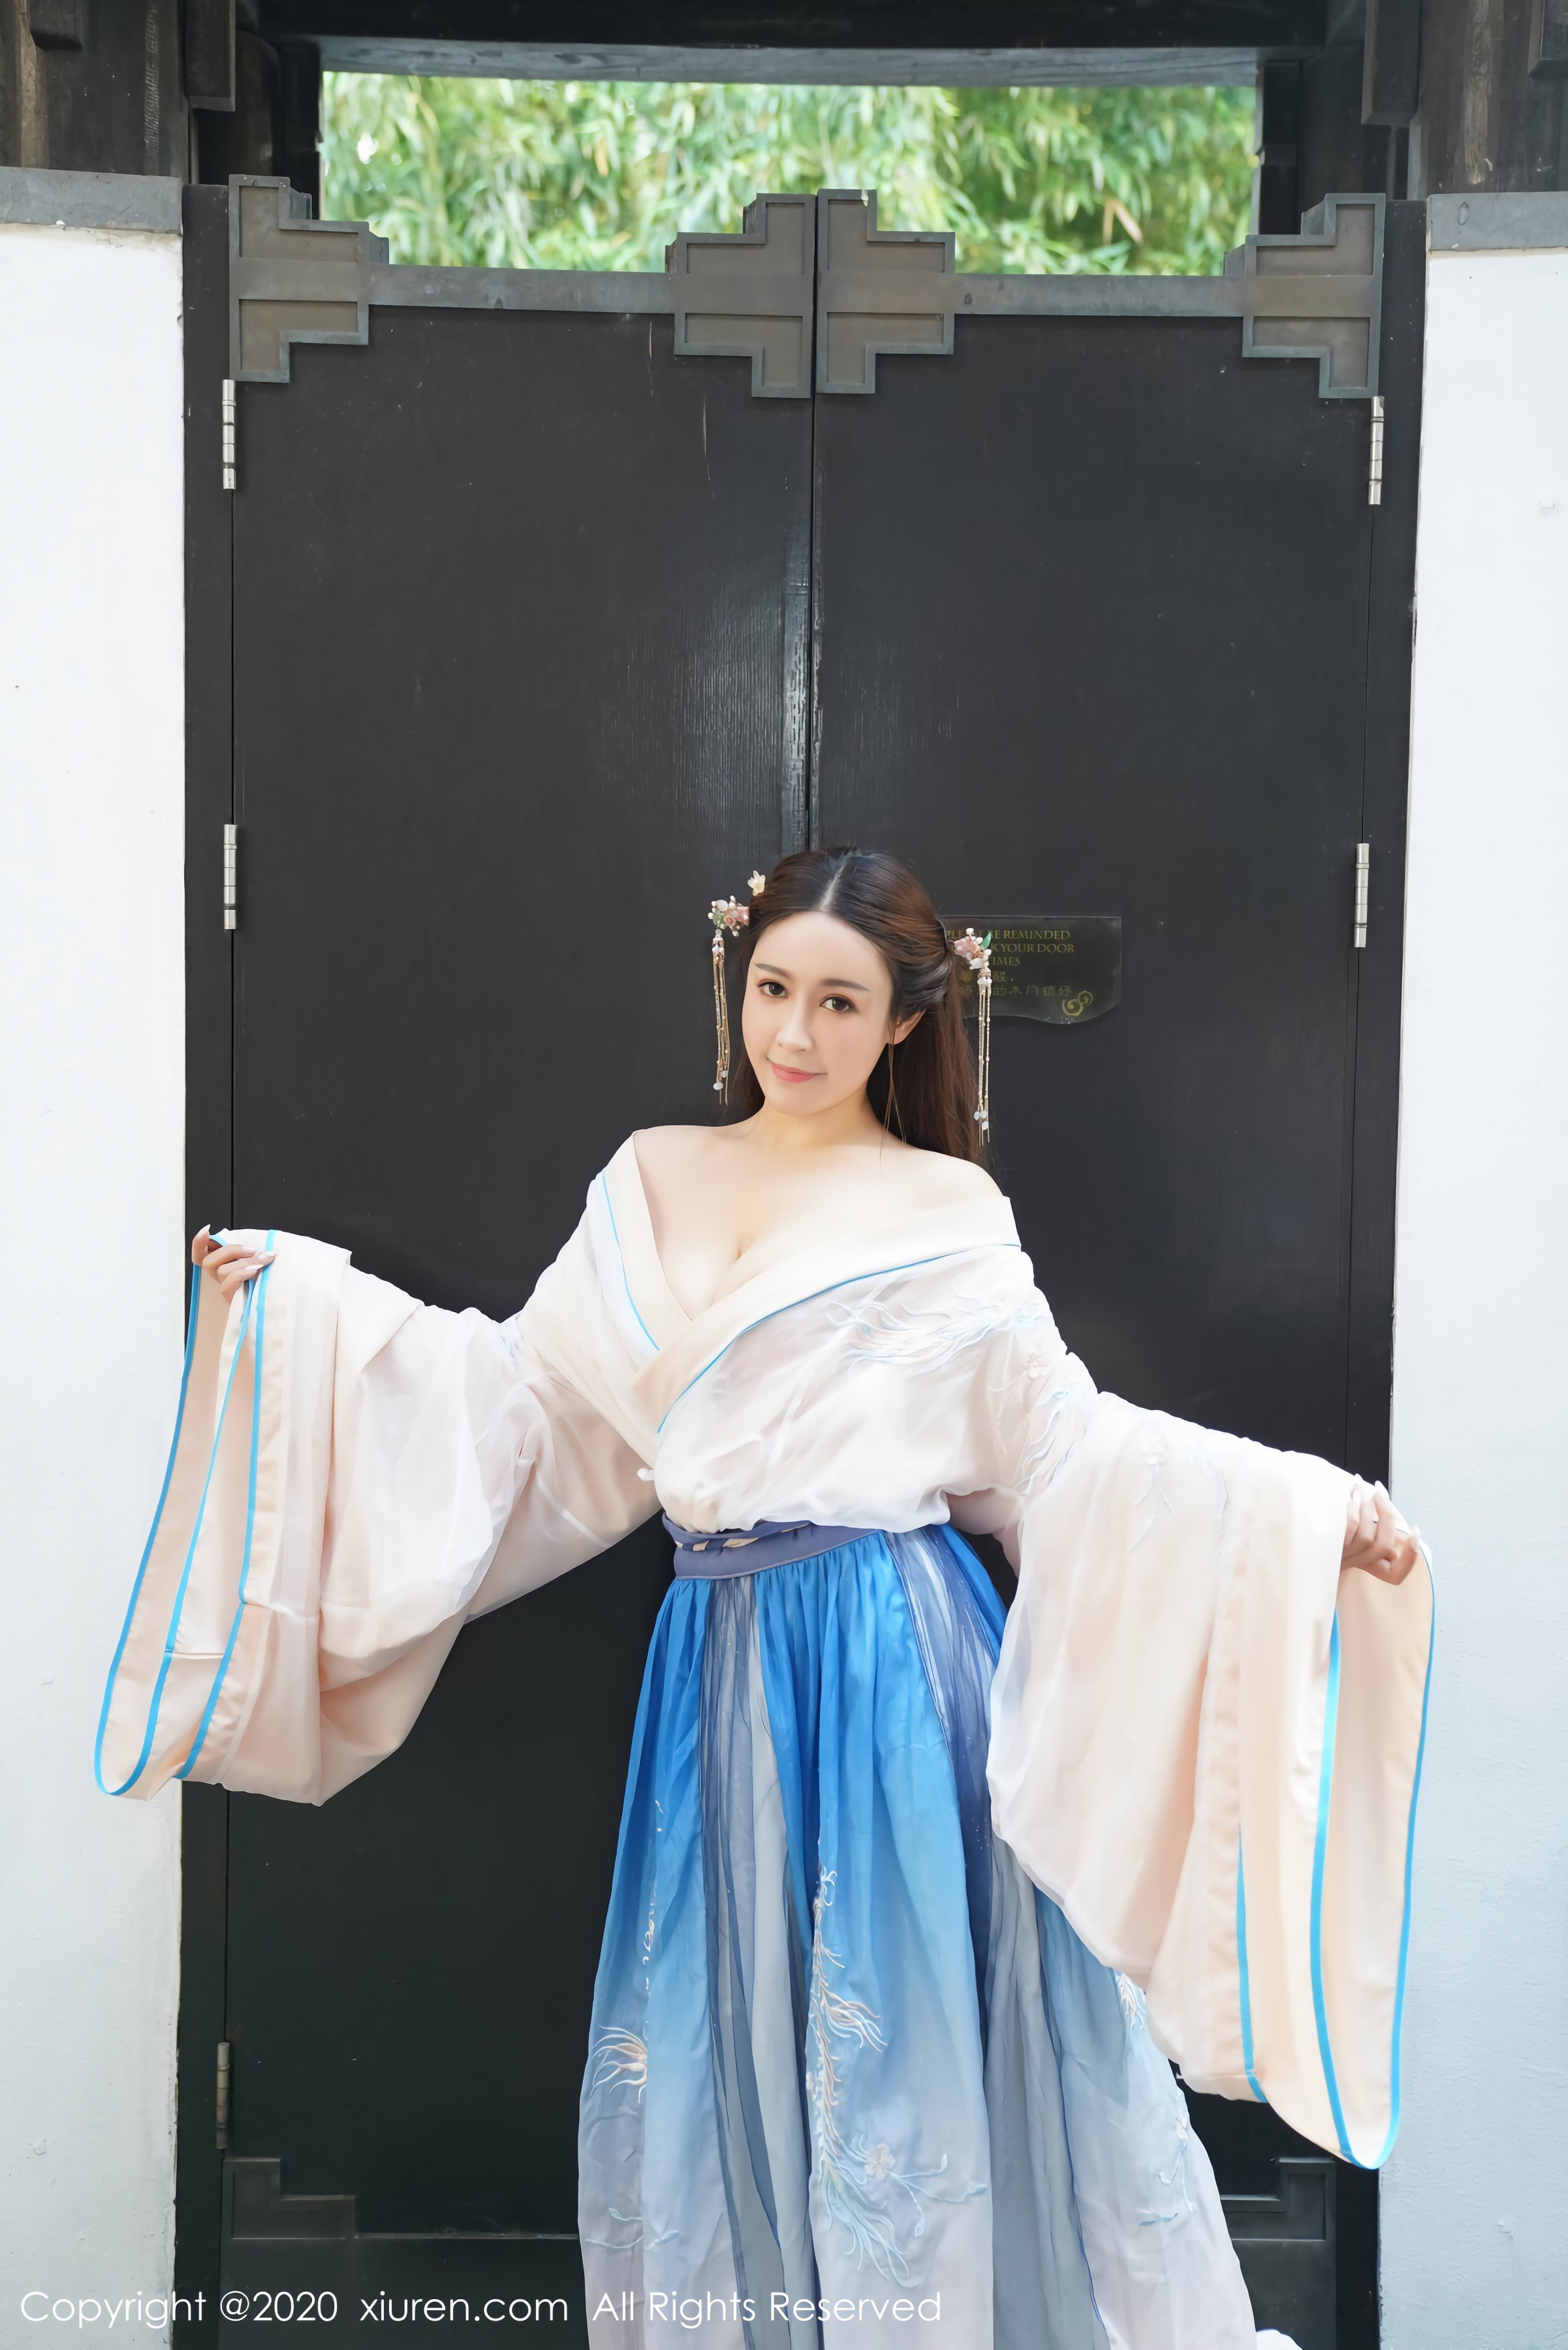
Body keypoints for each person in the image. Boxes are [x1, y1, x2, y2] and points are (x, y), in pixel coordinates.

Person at [96, 846, 1432, 2350]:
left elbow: (1061, 1449)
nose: (794, 1033)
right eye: (774, 988)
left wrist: (1312, 1514)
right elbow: (523, 1405)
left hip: (896, 1663)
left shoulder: (942, 1206)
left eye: (840, 1002)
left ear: (906, 1020)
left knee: (899, 2061)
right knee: (720, 2036)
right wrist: (298, 1306)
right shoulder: (652, 1175)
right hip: (719, 1665)